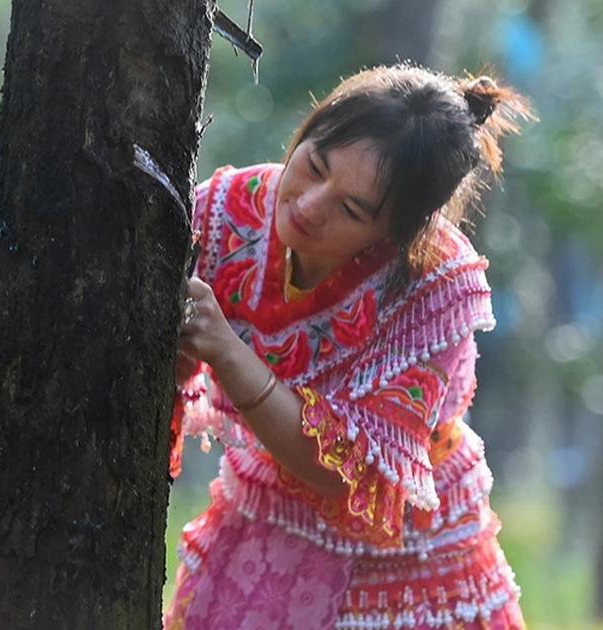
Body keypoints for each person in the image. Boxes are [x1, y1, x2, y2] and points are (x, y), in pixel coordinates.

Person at [166, 64, 530, 629]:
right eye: (314, 166)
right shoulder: (226, 214)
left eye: (351, 210)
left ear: (399, 234)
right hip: (267, 527)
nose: (310, 206)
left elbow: (346, 475)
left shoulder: (435, 288)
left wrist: (226, 353)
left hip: (407, 567)